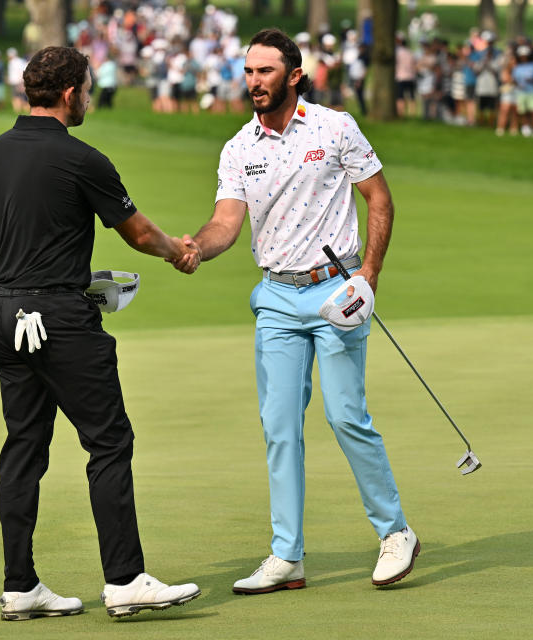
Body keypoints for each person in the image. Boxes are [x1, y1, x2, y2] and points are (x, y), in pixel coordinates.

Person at [0, 45, 200, 621]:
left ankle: (21, 587)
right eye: (87, 88)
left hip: (4, 315)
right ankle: (125, 579)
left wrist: (24, 263)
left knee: (24, 448)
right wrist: (179, 253)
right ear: (69, 94)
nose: (89, 97)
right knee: (108, 441)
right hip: (59, 319)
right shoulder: (81, 158)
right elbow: (138, 235)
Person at [174, 28, 419, 594]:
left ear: (293, 75)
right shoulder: (238, 148)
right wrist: (196, 249)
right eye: (248, 72)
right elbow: (226, 224)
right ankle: (287, 557)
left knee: (345, 416)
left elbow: (377, 198)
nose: (254, 82)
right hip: (277, 299)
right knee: (279, 427)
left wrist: (370, 274)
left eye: (265, 71)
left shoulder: (335, 127)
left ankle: (395, 532)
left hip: (337, 291)